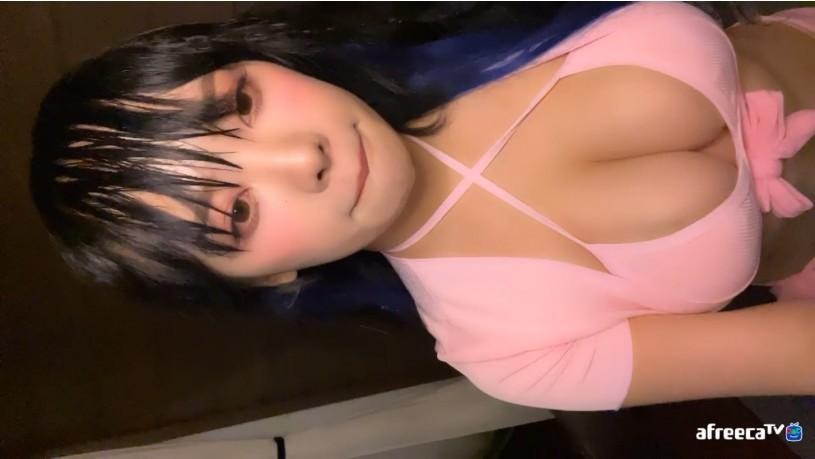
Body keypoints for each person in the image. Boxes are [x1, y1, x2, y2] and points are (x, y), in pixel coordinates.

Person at [28, 2, 815, 411]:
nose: (301, 156)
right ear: (267, 280)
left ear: (255, 57)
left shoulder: (445, 14)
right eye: (237, 213)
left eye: (241, 102)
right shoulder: (507, 351)